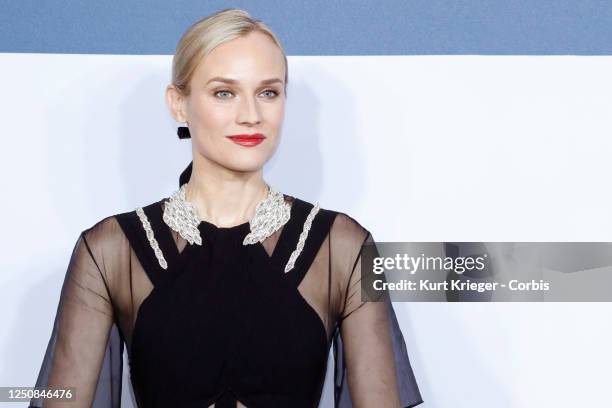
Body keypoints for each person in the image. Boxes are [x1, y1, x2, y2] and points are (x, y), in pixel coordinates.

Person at [30, 8, 422, 408]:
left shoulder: (343, 247)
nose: (251, 115)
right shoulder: (110, 250)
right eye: (224, 92)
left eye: (268, 92)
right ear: (178, 104)